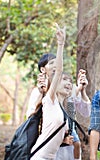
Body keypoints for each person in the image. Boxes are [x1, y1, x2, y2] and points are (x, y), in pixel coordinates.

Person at [30, 25, 75, 159]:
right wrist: (61, 43)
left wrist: (64, 140)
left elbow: (53, 133)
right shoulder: (49, 100)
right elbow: (59, 71)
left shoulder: (61, 108)